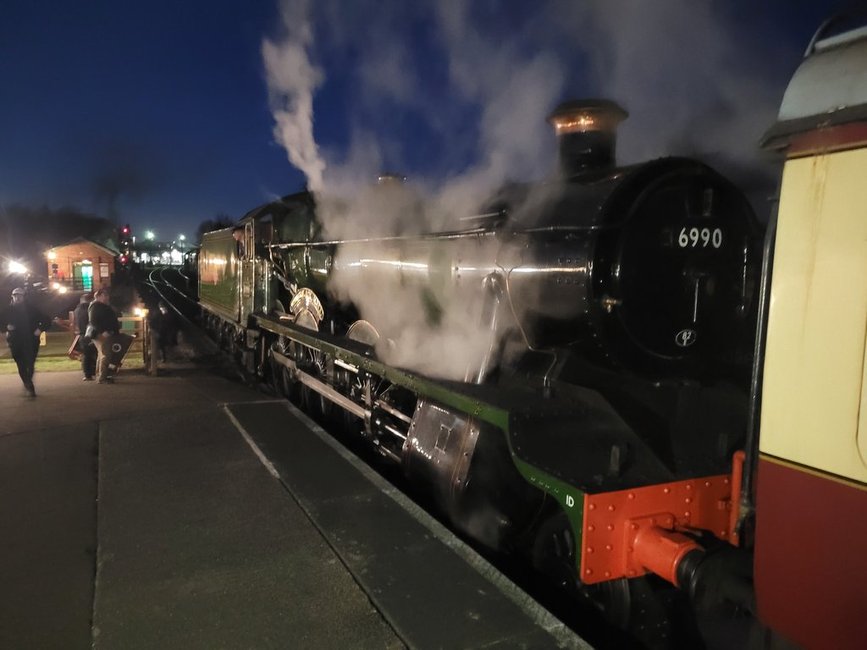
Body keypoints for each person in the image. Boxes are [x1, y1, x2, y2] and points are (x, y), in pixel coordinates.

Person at [4, 287, 48, 397]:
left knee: (30, 363)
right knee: (21, 364)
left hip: (30, 340)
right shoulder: (8, 310)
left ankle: (28, 383)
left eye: (19, 296)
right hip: (15, 341)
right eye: (15, 296)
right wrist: (6, 327)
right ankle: (29, 385)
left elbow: (46, 320)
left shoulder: (32, 309)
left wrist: (40, 329)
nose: (17, 298)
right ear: (12, 297)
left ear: (24, 297)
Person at [87, 288, 120, 384]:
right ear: (98, 296)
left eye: (107, 295)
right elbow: (93, 321)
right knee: (106, 354)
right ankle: (102, 377)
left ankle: (100, 375)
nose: (107, 297)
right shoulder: (96, 306)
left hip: (102, 333)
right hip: (101, 334)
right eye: (104, 295)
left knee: (102, 355)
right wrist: (103, 331)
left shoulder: (99, 306)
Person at [73, 292, 97, 380]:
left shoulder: (76, 310)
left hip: (81, 334)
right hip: (89, 333)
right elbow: (91, 322)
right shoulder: (89, 309)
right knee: (92, 354)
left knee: (86, 355)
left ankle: (87, 374)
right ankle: (91, 373)